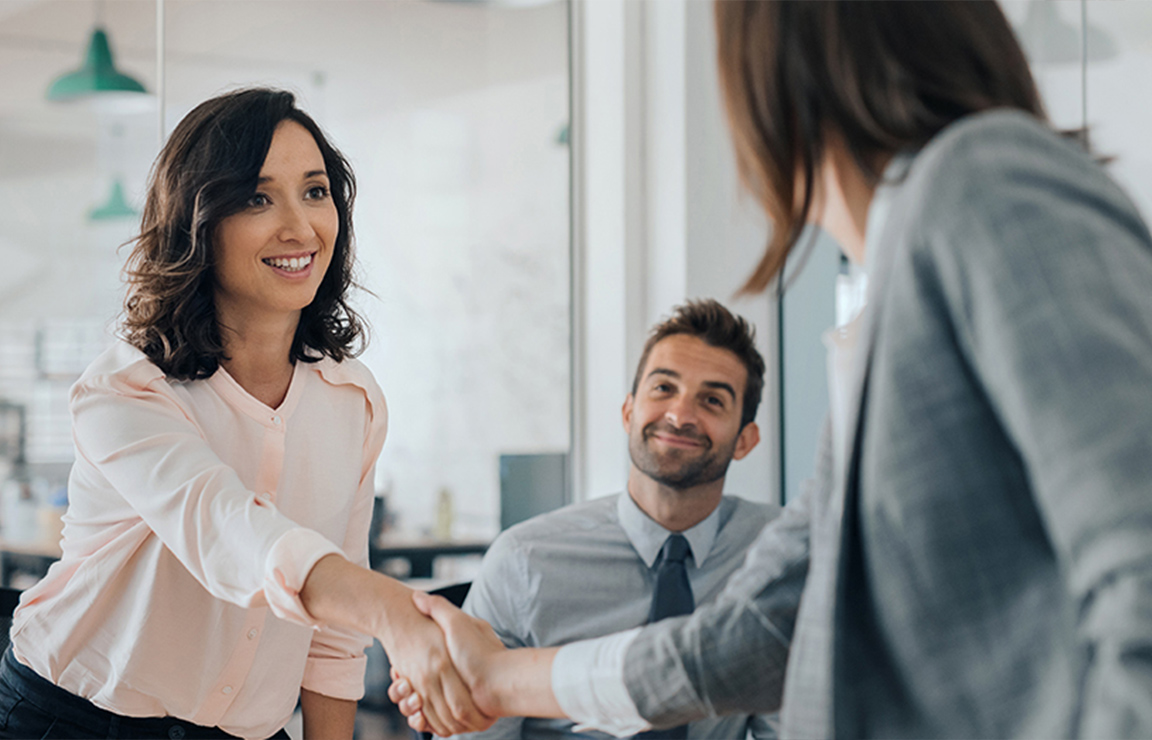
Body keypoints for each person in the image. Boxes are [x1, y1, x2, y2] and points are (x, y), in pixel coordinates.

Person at [391, 2, 1152, 738]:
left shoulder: (984, 179)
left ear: (775, 71)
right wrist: (497, 680)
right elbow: (756, 636)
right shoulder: (878, 318)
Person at [0, 88, 487, 740]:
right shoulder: (126, 390)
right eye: (258, 198)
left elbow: (331, 638)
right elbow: (232, 533)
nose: (300, 225)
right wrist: (401, 617)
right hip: (72, 718)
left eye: (315, 191)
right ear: (198, 221)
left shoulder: (353, 400)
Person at [457, 299, 779, 740]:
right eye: (664, 388)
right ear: (629, 412)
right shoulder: (523, 562)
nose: (680, 415)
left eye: (712, 400)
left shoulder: (776, 555)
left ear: (745, 439)